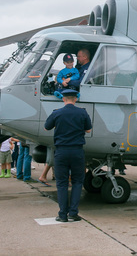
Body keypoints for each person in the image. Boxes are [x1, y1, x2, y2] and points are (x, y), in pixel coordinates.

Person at [44, 89, 92, 222]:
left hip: (61, 151)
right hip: (77, 151)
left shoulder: (56, 113)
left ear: (63, 99)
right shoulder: (82, 112)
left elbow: (46, 127)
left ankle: (62, 214)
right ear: (75, 99)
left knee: (61, 183)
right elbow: (88, 129)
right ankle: (73, 213)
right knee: (77, 182)